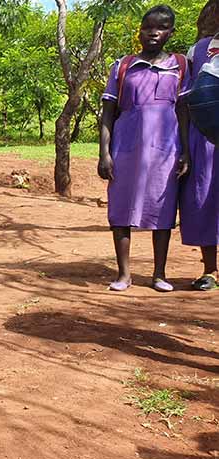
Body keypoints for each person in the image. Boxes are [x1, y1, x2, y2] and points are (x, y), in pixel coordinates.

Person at [98, 5, 190, 293]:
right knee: (120, 209)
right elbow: (108, 112)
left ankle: (159, 274)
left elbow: (183, 111)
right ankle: (124, 274)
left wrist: (186, 151)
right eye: (148, 27)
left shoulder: (179, 66)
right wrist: (104, 153)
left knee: (162, 209)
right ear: (139, 31)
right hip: (126, 149)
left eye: (161, 28)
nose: (153, 33)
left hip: (165, 151)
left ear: (170, 32)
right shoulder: (123, 66)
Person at [180, 24, 219, 289]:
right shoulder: (200, 49)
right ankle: (210, 270)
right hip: (204, 138)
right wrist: (185, 146)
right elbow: (186, 99)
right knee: (205, 197)